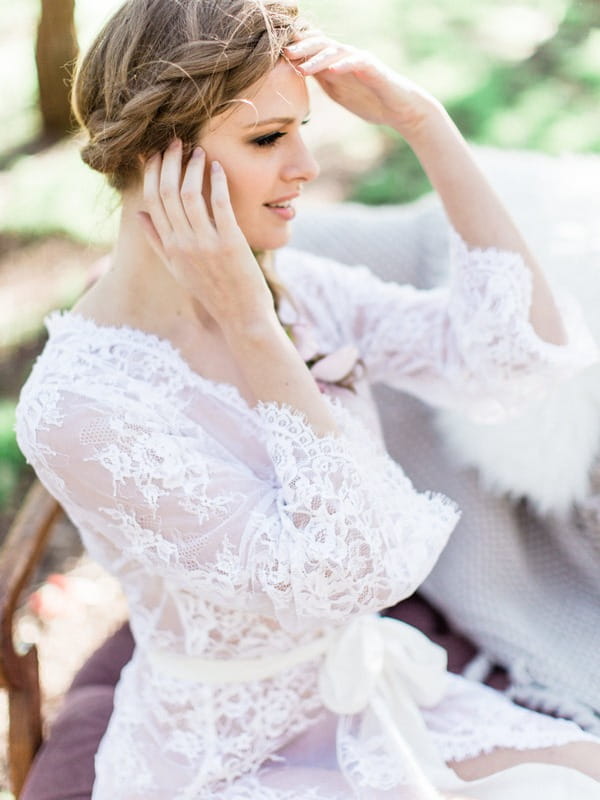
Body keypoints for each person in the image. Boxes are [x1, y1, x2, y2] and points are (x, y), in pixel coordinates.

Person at [14, 0, 600, 797]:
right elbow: (350, 570)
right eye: (266, 138)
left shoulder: (302, 288)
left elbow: (518, 354)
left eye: (302, 130)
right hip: (228, 755)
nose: (306, 168)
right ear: (160, 160)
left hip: (369, 694)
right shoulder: (79, 406)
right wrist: (253, 329)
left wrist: (423, 124)